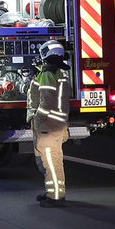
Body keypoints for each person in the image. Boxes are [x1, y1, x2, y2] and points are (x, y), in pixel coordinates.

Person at [26, 39, 72, 207]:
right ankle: (55, 192)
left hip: (47, 124)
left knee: (49, 162)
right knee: (55, 159)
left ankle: (55, 197)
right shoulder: (61, 72)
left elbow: (46, 101)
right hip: (58, 123)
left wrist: (37, 118)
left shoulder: (47, 73)